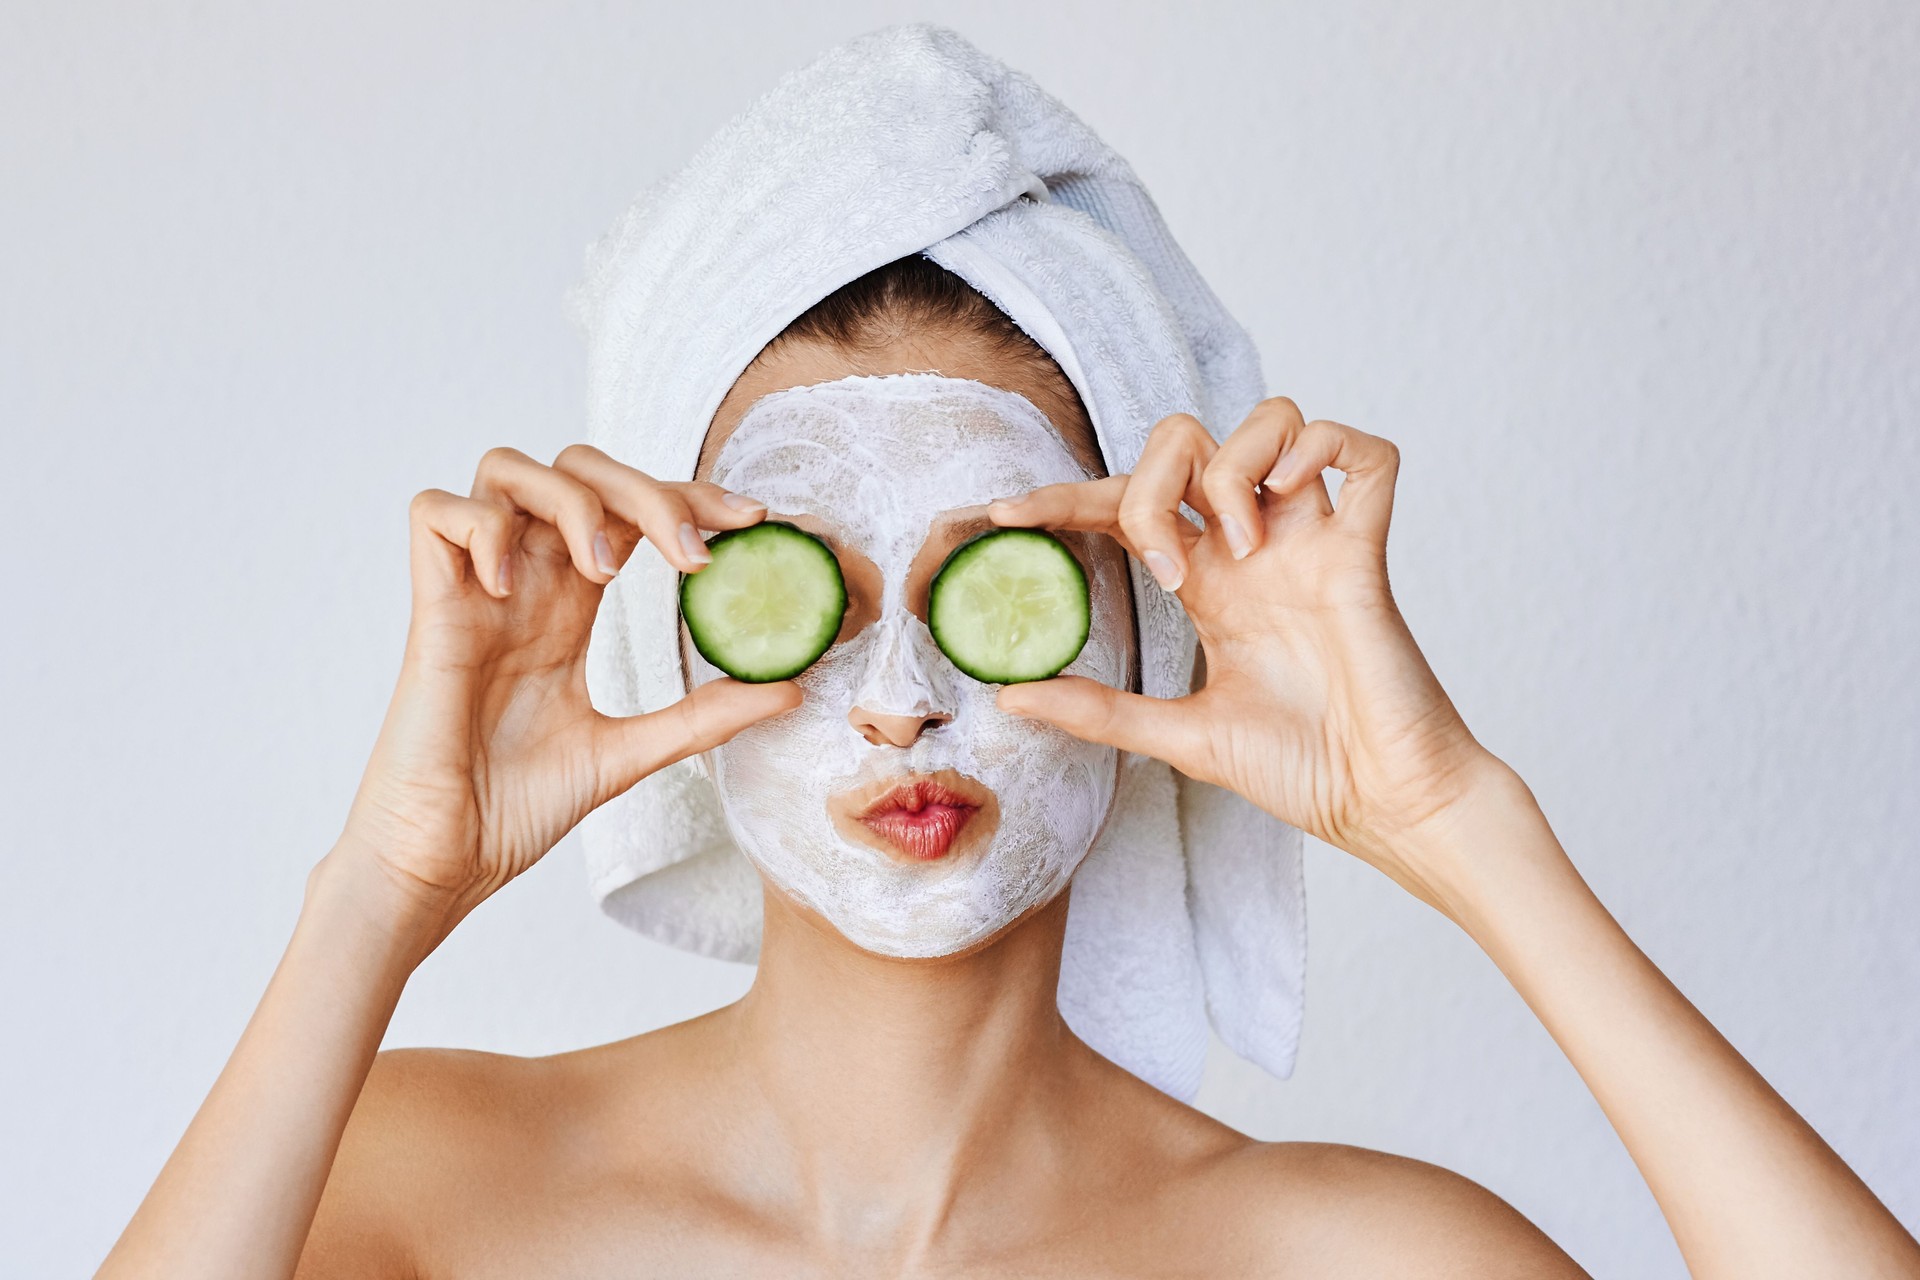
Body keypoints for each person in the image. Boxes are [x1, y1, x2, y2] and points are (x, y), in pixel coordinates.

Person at [97, 251, 1920, 1278]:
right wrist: (381, 891)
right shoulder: (415, 1175)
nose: (899, 697)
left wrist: (1459, 827)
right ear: (676, 624)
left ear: (1153, 629)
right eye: (798, 585)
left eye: (997, 592)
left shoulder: (1346, 1258)